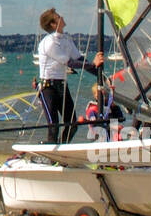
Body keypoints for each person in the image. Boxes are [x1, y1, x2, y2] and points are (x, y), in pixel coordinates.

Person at [36, 7, 104, 144]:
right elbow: (70, 63)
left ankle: (61, 148)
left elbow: (79, 60)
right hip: (48, 88)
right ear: (53, 24)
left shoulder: (66, 39)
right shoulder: (49, 43)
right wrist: (93, 64)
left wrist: (99, 74)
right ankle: (52, 152)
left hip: (62, 86)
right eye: (58, 16)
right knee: (53, 125)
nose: (62, 17)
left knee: (72, 123)